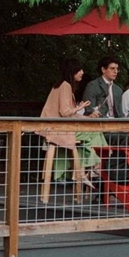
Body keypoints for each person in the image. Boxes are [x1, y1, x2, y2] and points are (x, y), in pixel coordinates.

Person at [40, 59, 93, 190]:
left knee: (90, 134)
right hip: (57, 129)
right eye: (79, 70)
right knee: (94, 133)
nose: (82, 72)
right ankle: (90, 169)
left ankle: (84, 170)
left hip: (51, 127)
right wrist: (80, 107)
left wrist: (87, 117)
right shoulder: (66, 86)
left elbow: (68, 113)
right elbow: (65, 112)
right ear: (72, 71)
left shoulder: (60, 85)